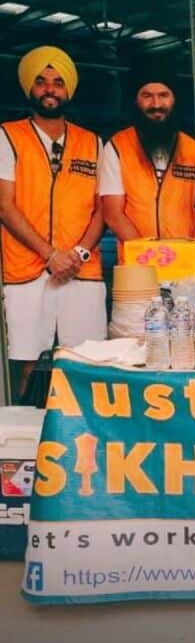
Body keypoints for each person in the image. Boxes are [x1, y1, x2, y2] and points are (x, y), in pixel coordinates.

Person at [0, 46, 107, 398]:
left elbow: (102, 210)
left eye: (58, 82)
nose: (50, 89)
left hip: (81, 270)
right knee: (26, 364)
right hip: (27, 270)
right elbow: (5, 206)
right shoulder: (8, 137)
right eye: (42, 82)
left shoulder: (92, 142)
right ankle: (21, 444)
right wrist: (50, 255)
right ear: (30, 88)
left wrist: (77, 253)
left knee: (86, 363)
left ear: (68, 90)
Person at [101, 59, 195, 241]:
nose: (156, 104)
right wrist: (147, 254)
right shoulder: (117, 147)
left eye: (163, 95)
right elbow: (113, 215)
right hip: (137, 264)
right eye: (147, 96)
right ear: (136, 100)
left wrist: (192, 254)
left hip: (187, 263)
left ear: (174, 99)